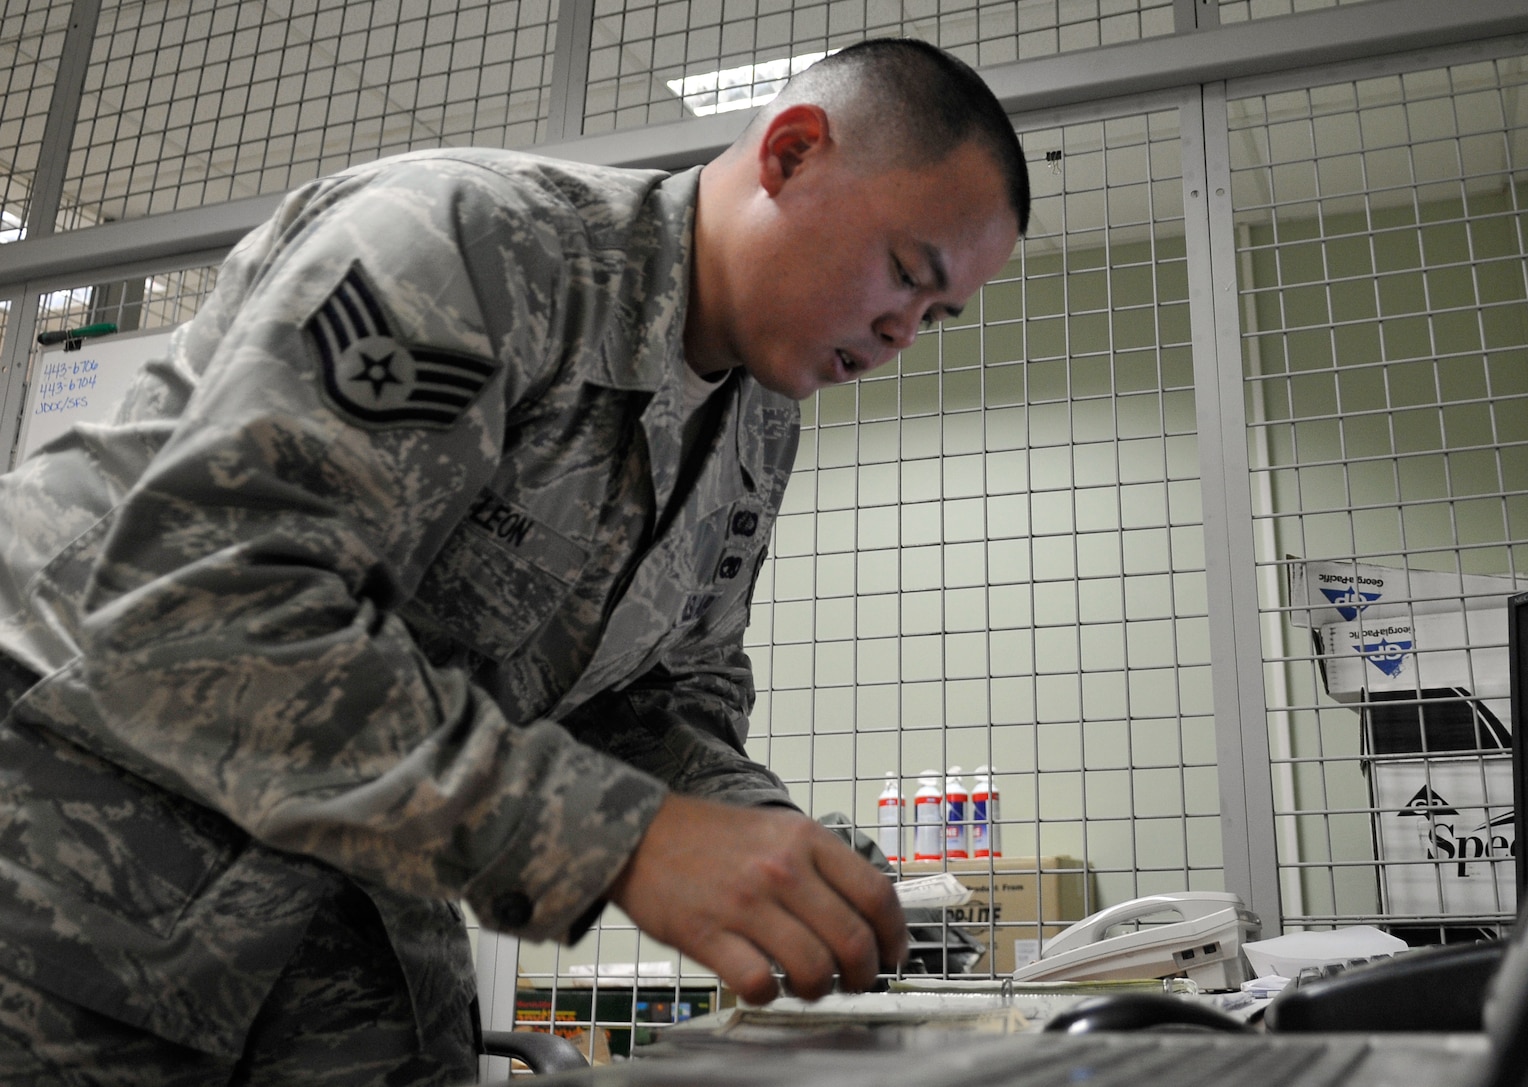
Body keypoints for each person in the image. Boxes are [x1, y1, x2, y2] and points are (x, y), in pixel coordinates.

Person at [0, 38, 1028, 1084]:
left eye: (935, 315)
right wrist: (628, 841)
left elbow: (661, 693)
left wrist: (760, 841)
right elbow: (206, 611)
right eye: (906, 272)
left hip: (348, 857)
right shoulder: (471, 245)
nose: (904, 328)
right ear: (792, 153)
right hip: (75, 821)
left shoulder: (758, 425)